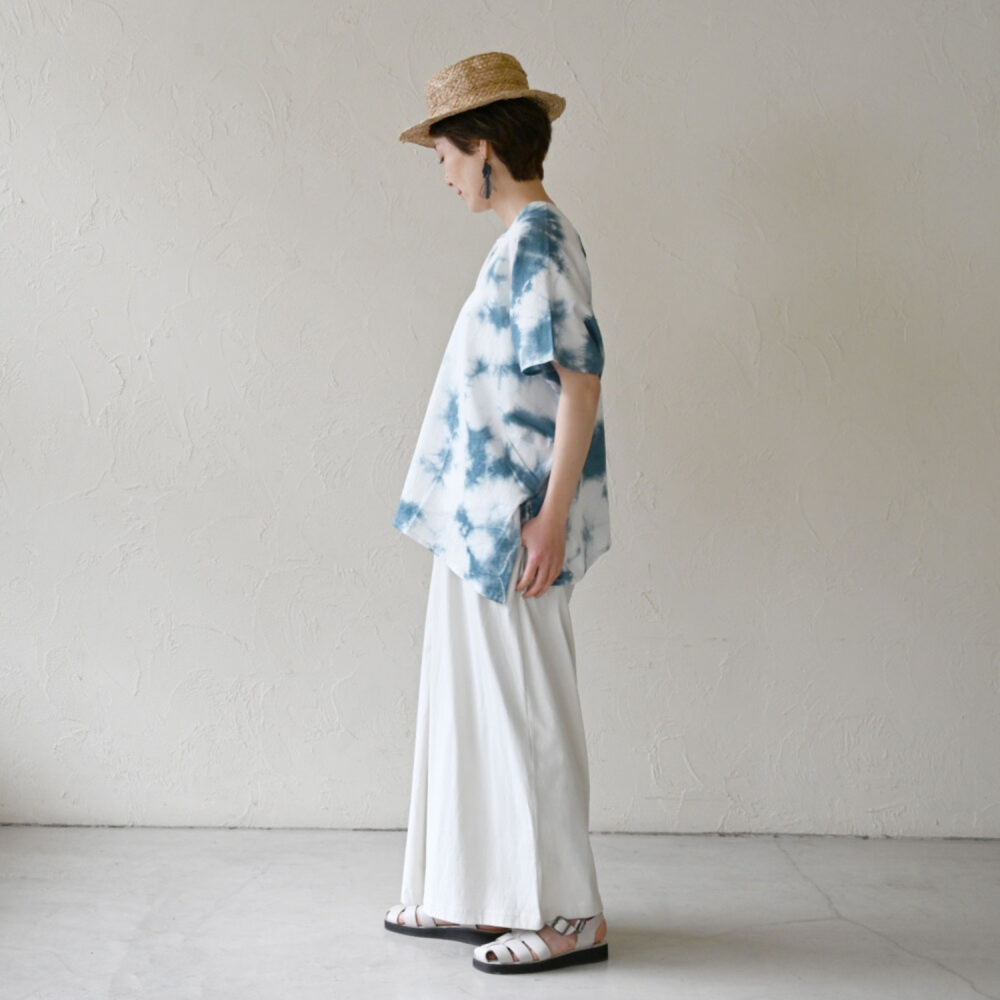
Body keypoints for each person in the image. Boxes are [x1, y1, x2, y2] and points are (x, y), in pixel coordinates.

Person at [384, 51, 611, 976]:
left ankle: (571, 917)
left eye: (444, 154)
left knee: (528, 714)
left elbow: (579, 384)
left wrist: (549, 519)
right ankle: (475, 896)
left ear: (483, 148)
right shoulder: (520, 241)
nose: (442, 173)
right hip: (482, 527)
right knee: (478, 712)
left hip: (516, 528)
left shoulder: (539, 242)